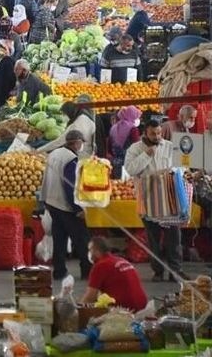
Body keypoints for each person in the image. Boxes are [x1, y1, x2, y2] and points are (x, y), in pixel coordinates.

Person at [124, 120, 187, 281]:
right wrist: (147, 155)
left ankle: (175, 271)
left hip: (169, 197)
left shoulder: (169, 146)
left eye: (159, 133)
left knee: (174, 237)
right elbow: (130, 169)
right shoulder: (135, 149)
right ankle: (157, 271)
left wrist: (174, 171)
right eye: (153, 133)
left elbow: (182, 166)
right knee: (153, 238)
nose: (157, 136)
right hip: (148, 199)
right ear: (145, 132)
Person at [41, 130, 91, 280]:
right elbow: (70, 186)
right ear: (76, 143)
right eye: (81, 143)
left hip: (52, 203)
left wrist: (45, 201)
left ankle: (59, 270)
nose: (81, 146)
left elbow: (45, 178)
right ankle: (87, 271)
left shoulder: (54, 153)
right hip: (65, 206)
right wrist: (78, 209)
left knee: (60, 239)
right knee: (82, 240)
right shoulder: (71, 159)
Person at [82, 237, 148, 311]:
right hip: (142, 305)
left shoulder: (100, 266)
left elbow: (90, 297)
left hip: (125, 308)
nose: (89, 253)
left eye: (90, 250)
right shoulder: (122, 260)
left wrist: (77, 310)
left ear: (96, 251)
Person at [108, 106, 142, 179]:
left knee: (118, 187)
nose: (137, 119)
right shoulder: (133, 129)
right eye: (136, 117)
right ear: (131, 116)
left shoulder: (113, 128)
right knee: (129, 187)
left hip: (115, 163)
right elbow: (138, 147)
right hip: (129, 164)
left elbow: (109, 149)